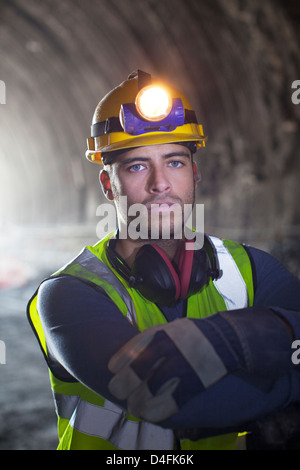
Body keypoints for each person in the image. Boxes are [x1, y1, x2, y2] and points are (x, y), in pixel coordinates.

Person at [27, 70, 300, 450]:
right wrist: (269, 359)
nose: (160, 184)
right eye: (137, 166)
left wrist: (236, 345)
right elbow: (157, 396)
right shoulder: (70, 293)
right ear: (109, 185)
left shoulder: (250, 269)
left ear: (195, 172)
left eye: (174, 161)